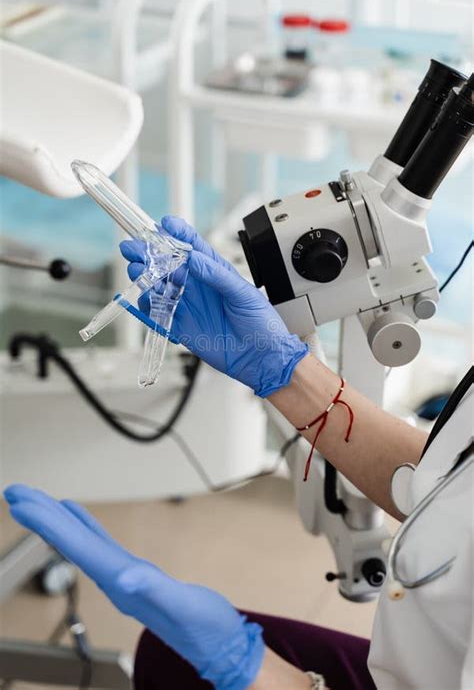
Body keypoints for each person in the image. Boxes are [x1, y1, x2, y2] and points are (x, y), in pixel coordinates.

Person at [4, 216, 472, 690]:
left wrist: (246, 667)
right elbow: (455, 474)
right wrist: (284, 372)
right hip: (432, 645)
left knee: (185, 670)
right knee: (169, 657)